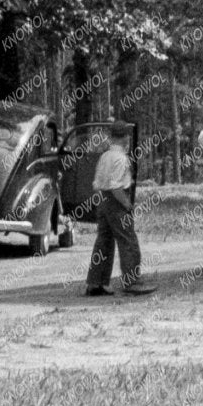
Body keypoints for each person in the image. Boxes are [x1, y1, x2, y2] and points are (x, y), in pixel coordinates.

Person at [83, 118, 153, 298]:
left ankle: (95, 283)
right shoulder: (121, 159)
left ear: (111, 136)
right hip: (117, 201)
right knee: (128, 241)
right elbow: (116, 187)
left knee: (103, 242)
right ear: (125, 138)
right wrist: (127, 204)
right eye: (127, 138)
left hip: (102, 201)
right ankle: (131, 282)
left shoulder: (104, 156)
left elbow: (97, 183)